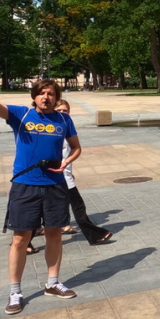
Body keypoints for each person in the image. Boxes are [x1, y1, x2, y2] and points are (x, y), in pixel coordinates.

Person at [0, 65, 80, 315]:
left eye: (51, 94)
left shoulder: (64, 119)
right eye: (42, 93)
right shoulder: (21, 115)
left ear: (57, 97)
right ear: (34, 97)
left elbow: (75, 147)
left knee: (54, 234)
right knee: (21, 239)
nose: (46, 97)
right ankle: (15, 291)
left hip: (54, 186)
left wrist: (66, 162)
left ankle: (52, 283)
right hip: (25, 186)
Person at [52, 100, 112, 245]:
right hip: (59, 177)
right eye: (59, 110)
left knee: (52, 206)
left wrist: (68, 171)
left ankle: (30, 234)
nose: (62, 113)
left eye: (65, 110)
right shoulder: (56, 131)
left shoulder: (66, 128)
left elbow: (69, 154)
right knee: (78, 208)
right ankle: (94, 234)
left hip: (63, 176)